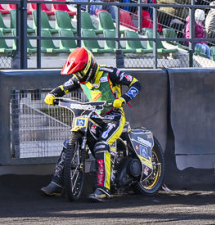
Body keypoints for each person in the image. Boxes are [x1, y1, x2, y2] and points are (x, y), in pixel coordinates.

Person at [40, 47, 141, 202]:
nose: (77, 76)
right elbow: (63, 88)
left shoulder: (109, 73)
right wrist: (52, 95)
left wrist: (124, 99)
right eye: (76, 73)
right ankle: (57, 183)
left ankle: (102, 189)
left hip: (114, 117)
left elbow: (136, 84)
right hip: (95, 115)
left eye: (79, 72)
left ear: (88, 67)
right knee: (70, 142)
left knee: (102, 145)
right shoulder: (79, 78)